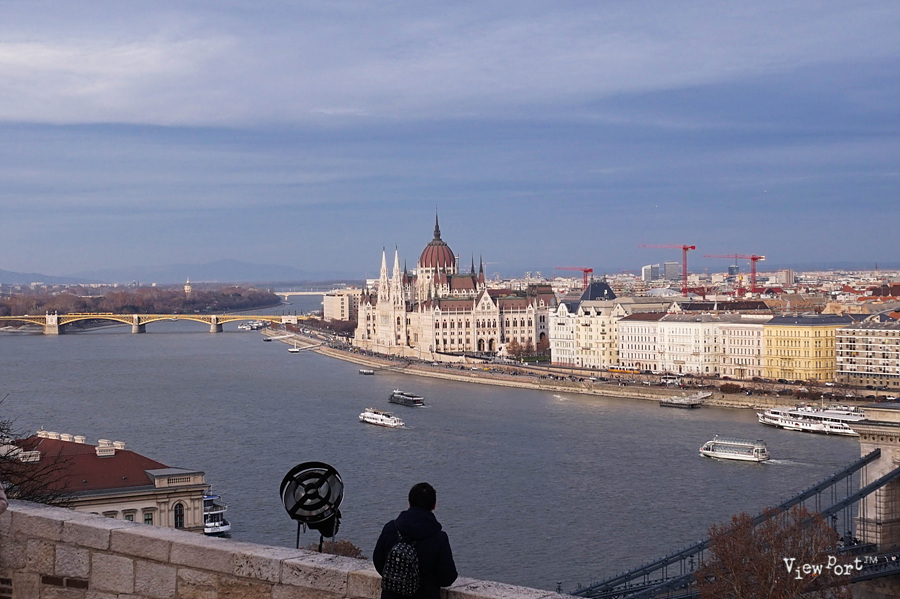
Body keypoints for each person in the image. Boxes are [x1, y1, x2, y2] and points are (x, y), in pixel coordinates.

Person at [373, 482, 457, 599]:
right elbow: (448, 577)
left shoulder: (390, 528)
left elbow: (378, 561)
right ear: (434, 506)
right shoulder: (439, 538)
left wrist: (398, 577)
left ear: (409, 503)